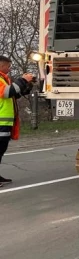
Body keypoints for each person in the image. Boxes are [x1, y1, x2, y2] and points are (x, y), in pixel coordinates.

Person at [0, 55, 34, 186]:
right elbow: (7, 93)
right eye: (8, 66)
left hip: (4, 123)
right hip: (1, 123)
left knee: (1, 150)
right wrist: (22, 79)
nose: (9, 68)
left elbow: (13, 95)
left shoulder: (4, 79)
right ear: (1, 65)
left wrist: (27, 86)